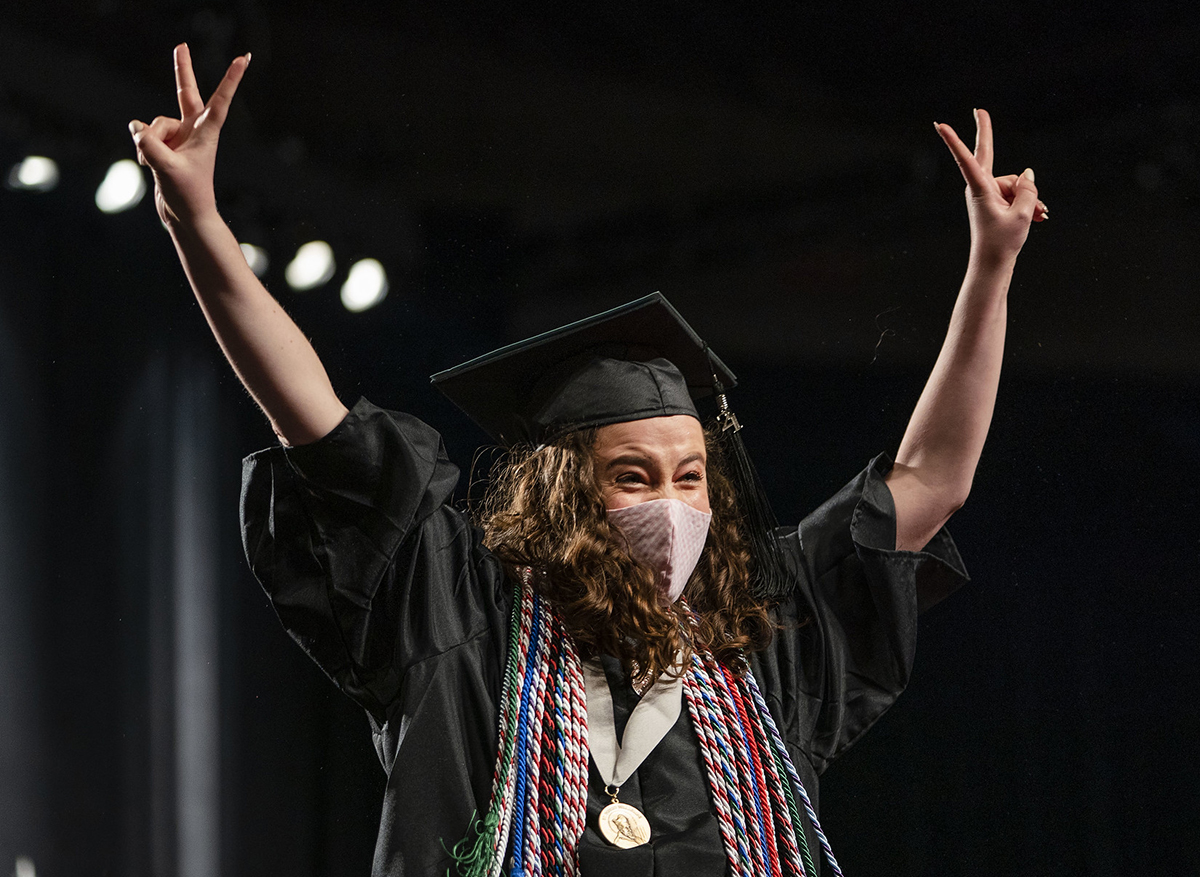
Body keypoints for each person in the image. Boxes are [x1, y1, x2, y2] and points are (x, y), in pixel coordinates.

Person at [129, 44, 1045, 877]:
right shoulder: (456, 610)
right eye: (633, 476)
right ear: (564, 494)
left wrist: (990, 269)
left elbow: (930, 479)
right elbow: (317, 424)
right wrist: (196, 220)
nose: (673, 504)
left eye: (690, 476)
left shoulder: (765, 644)